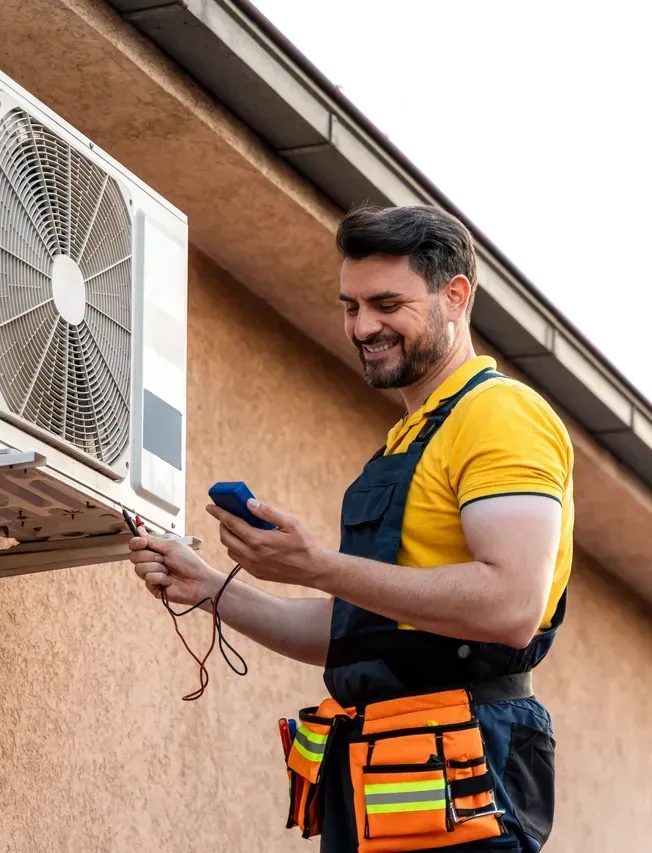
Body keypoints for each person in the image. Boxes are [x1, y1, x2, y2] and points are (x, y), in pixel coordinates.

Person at [129, 204, 573, 852]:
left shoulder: (501, 415)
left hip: (467, 775)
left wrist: (317, 564)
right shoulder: (407, 439)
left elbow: (511, 606)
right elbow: (361, 633)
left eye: (387, 303)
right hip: (383, 775)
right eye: (351, 305)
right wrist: (211, 591)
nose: (363, 326)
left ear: (456, 296)